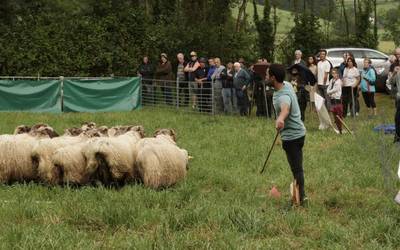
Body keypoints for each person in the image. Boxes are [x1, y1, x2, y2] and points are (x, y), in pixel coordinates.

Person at [267, 63, 307, 206]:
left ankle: (301, 199)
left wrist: (280, 118)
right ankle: (300, 196)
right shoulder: (287, 85)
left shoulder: (282, 96)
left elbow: (286, 107)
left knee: (297, 170)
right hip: (299, 133)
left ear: (273, 78)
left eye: (267, 74)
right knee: (297, 168)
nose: (266, 76)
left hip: (292, 137)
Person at [327, 68, 343, 134]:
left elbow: (334, 90)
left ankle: (340, 129)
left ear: (338, 74)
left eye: (335, 73)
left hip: (337, 100)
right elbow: (329, 87)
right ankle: (338, 129)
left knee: (339, 116)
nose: (334, 75)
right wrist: (328, 92)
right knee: (334, 116)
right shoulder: (331, 80)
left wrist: (328, 92)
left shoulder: (339, 81)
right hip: (332, 100)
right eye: (332, 73)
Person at [390, 65, 400, 143]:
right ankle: (397, 137)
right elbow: (391, 82)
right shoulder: (398, 73)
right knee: (397, 118)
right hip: (399, 99)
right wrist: (394, 73)